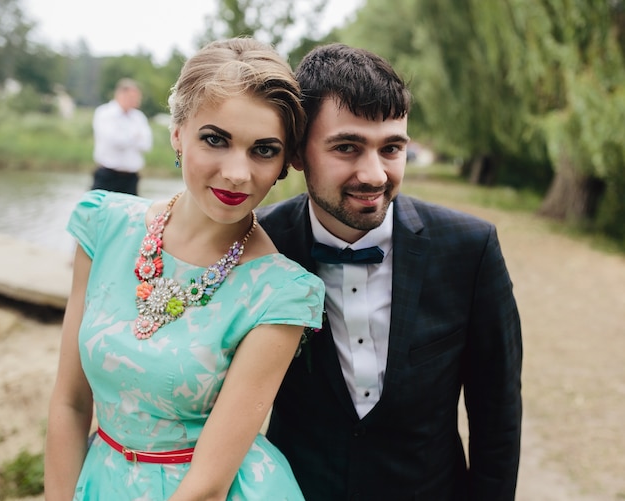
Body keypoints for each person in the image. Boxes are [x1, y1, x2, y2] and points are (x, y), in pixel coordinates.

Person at [44, 37, 325, 500]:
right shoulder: (105, 228)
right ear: (177, 132)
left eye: (263, 150)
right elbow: (71, 403)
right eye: (216, 139)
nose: (237, 173)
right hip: (99, 478)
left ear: (282, 165)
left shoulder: (281, 293)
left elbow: (208, 487)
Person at [257, 43, 523, 500]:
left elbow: (497, 417)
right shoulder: (257, 247)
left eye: (392, 148)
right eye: (347, 147)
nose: (375, 174)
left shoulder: (470, 249)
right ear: (298, 154)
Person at [91, 77, 153, 195]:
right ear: (121, 95)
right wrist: (135, 137)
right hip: (107, 176)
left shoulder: (139, 117)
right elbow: (114, 141)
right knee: (98, 210)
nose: (137, 101)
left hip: (130, 178)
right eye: (132, 97)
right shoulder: (104, 113)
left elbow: (146, 144)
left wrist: (128, 138)